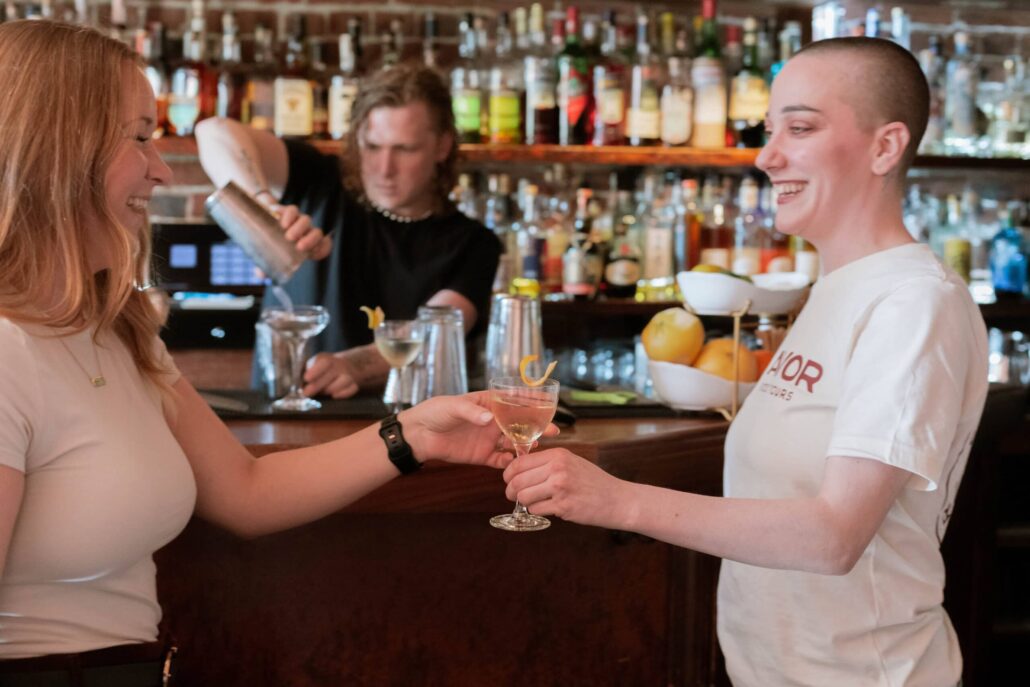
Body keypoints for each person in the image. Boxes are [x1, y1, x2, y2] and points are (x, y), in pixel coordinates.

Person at [0, 21, 527, 684]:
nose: (162, 167)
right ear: (57, 153)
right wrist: (257, 203)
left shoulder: (119, 332)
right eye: (138, 137)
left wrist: (415, 432)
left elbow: (248, 490)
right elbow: (220, 134)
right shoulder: (6, 352)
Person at [504, 37, 988, 687]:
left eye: (801, 127)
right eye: (769, 129)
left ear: (885, 146)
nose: (767, 155)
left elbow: (833, 534)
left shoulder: (914, 302)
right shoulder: (833, 290)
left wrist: (617, 501)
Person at [195, 65, 501, 400]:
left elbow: (436, 333)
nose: (385, 168)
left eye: (404, 149)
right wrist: (264, 206)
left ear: (442, 146)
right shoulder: (319, 181)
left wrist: (354, 365)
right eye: (372, 146)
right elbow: (213, 132)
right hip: (285, 413)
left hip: (398, 430)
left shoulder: (473, 244)